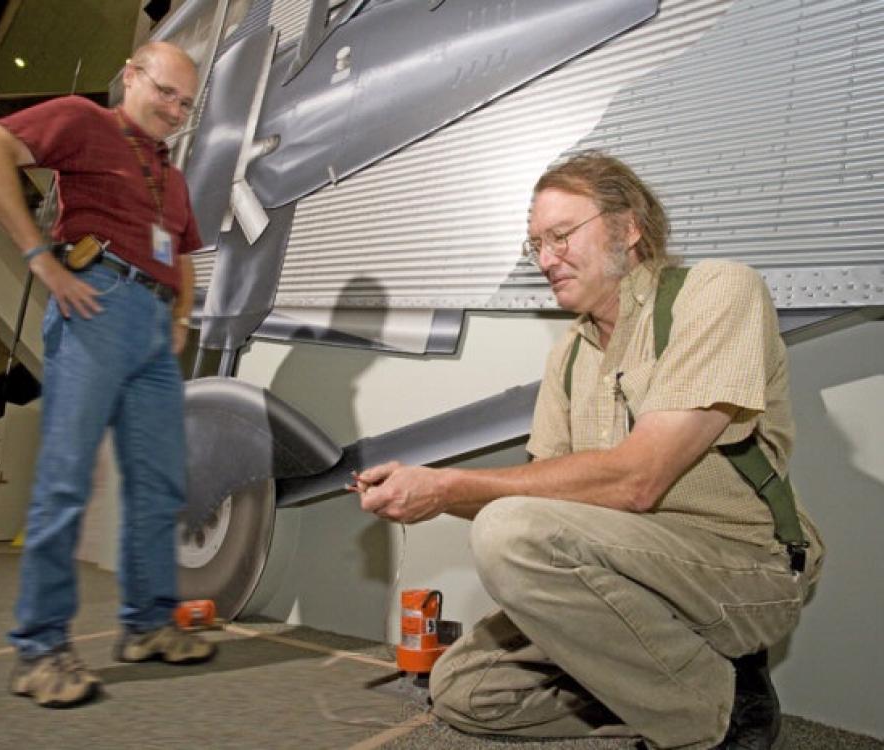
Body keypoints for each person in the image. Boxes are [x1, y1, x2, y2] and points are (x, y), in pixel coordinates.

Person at [351, 151, 824, 749]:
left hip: (741, 571)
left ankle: (714, 719)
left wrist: (448, 487)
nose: (546, 260)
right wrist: (423, 488)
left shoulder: (717, 291)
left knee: (511, 534)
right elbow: (541, 492)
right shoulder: (569, 357)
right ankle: (672, 676)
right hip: (623, 575)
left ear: (628, 227)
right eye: (536, 246)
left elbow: (637, 481)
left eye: (560, 236)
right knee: (465, 690)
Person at [0, 41, 215, 708]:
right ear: (130, 74)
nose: (175, 110)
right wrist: (41, 261)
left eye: (186, 104)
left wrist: (182, 319)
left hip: (155, 331)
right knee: (67, 480)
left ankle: (147, 626)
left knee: (160, 487)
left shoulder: (174, 178)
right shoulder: (83, 120)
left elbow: (183, 254)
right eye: (165, 92)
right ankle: (40, 650)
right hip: (97, 301)